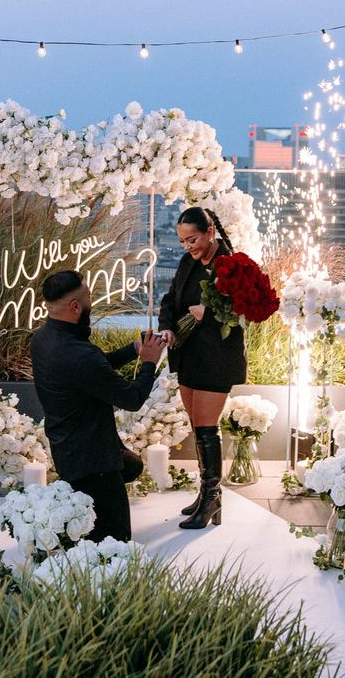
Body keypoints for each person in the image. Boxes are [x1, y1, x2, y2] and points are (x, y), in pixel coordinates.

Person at [31, 269, 166, 543]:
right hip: (94, 462)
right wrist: (150, 361)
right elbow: (132, 399)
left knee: (130, 467)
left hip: (68, 448)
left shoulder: (42, 339)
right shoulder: (80, 355)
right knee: (114, 539)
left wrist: (134, 349)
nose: (92, 300)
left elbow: (93, 368)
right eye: (89, 296)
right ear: (75, 307)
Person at [157, 207, 247, 529]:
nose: (187, 247)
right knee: (199, 427)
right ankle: (208, 496)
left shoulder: (232, 266)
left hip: (217, 357)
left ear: (210, 232)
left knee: (207, 429)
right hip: (189, 355)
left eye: (192, 239)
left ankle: (211, 500)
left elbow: (240, 314)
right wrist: (168, 326)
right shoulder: (187, 263)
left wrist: (205, 315)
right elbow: (170, 301)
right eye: (182, 242)